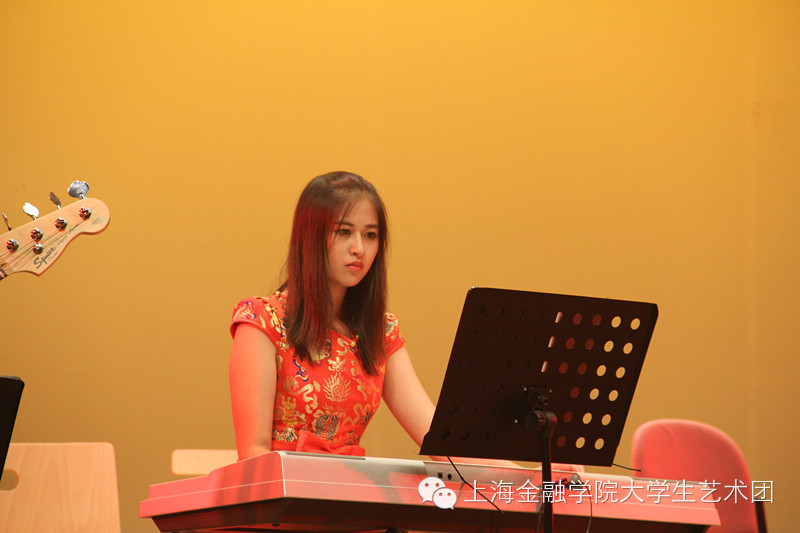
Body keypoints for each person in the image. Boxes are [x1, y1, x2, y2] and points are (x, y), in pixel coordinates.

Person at [229, 171, 458, 460]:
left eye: (370, 235)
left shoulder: (380, 332)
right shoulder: (262, 321)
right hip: (281, 487)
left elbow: (438, 439)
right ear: (310, 237)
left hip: (347, 485)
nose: (359, 249)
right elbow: (253, 454)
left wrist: (511, 474)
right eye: (344, 232)